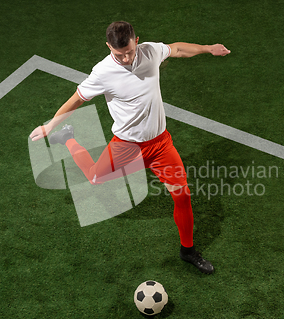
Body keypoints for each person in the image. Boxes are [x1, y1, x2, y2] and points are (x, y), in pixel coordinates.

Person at [30, 21, 230, 274]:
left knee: (183, 195)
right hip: (126, 146)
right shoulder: (102, 72)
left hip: (160, 144)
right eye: (118, 54)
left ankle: (188, 250)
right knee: (94, 177)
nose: (124, 58)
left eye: (129, 51)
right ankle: (67, 137)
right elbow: (76, 99)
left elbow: (177, 49)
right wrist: (49, 126)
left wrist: (207, 48)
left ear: (137, 41)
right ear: (108, 47)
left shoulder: (150, 51)